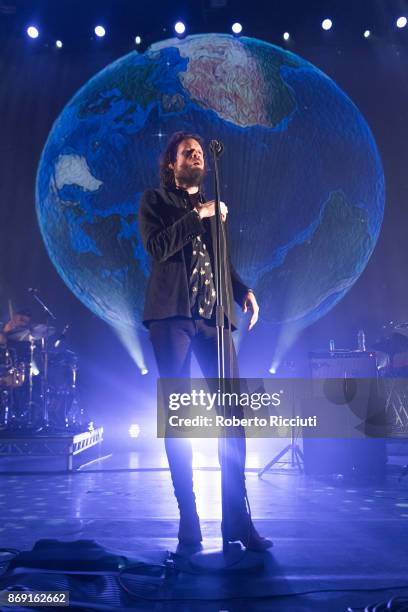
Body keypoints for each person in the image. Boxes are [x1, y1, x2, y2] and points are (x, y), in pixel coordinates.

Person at [138, 132, 272, 551]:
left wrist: (242, 289)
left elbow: (222, 262)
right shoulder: (155, 202)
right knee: (178, 417)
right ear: (171, 165)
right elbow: (158, 247)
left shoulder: (214, 211)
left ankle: (237, 520)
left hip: (214, 318)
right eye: (186, 152)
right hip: (172, 317)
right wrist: (200, 213)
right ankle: (189, 519)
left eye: (198, 152)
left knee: (233, 416)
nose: (195, 155)